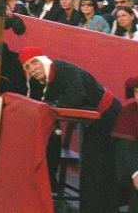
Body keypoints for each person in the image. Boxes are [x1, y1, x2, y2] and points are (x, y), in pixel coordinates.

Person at [20, 47, 122, 213]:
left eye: (34, 62)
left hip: (109, 115)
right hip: (95, 120)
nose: (33, 69)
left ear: (43, 60)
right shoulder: (48, 80)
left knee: (98, 167)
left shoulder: (63, 70)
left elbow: (75, 98)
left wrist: (55, 104)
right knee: (91, 168)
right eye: (28, 67)